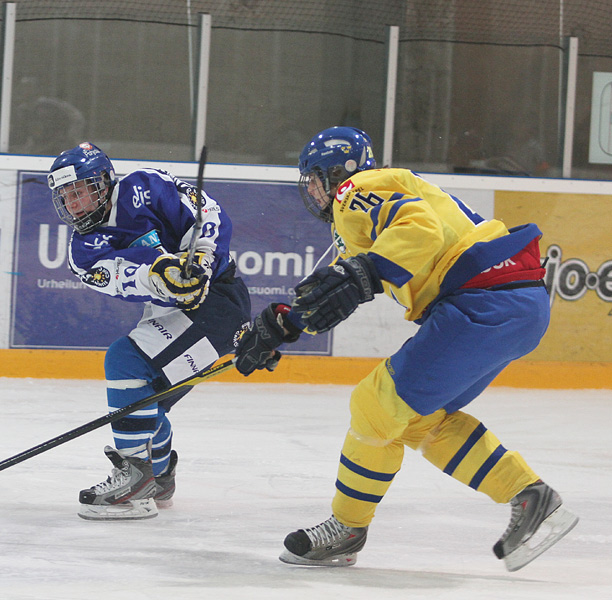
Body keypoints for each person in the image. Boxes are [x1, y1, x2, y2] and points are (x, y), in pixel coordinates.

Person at [233, 126, 578, 571]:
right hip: (514, 302)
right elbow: (342, 283)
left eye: (317, 180)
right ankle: (531, 499)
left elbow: (420, 230)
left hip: (484, 300)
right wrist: (282, 324)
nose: (315, 194)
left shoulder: (358, 190)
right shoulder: (374, 203)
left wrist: (365, 274)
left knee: (374, 405)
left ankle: (346, 528)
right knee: (417, 421)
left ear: (340, 173)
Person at [47, 142, 250, 521]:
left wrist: (202, 257)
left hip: (219, 302)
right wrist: (159, 278)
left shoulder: (146, 186)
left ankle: (136, 481)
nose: (73, 204)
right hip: (171, 311)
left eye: (79, 192)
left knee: (125, 361)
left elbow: (208, 212)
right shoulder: (83, 251)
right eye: (65, 197)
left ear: (104, 183)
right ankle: (158, 476)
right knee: (145, 398)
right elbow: (126, 279)